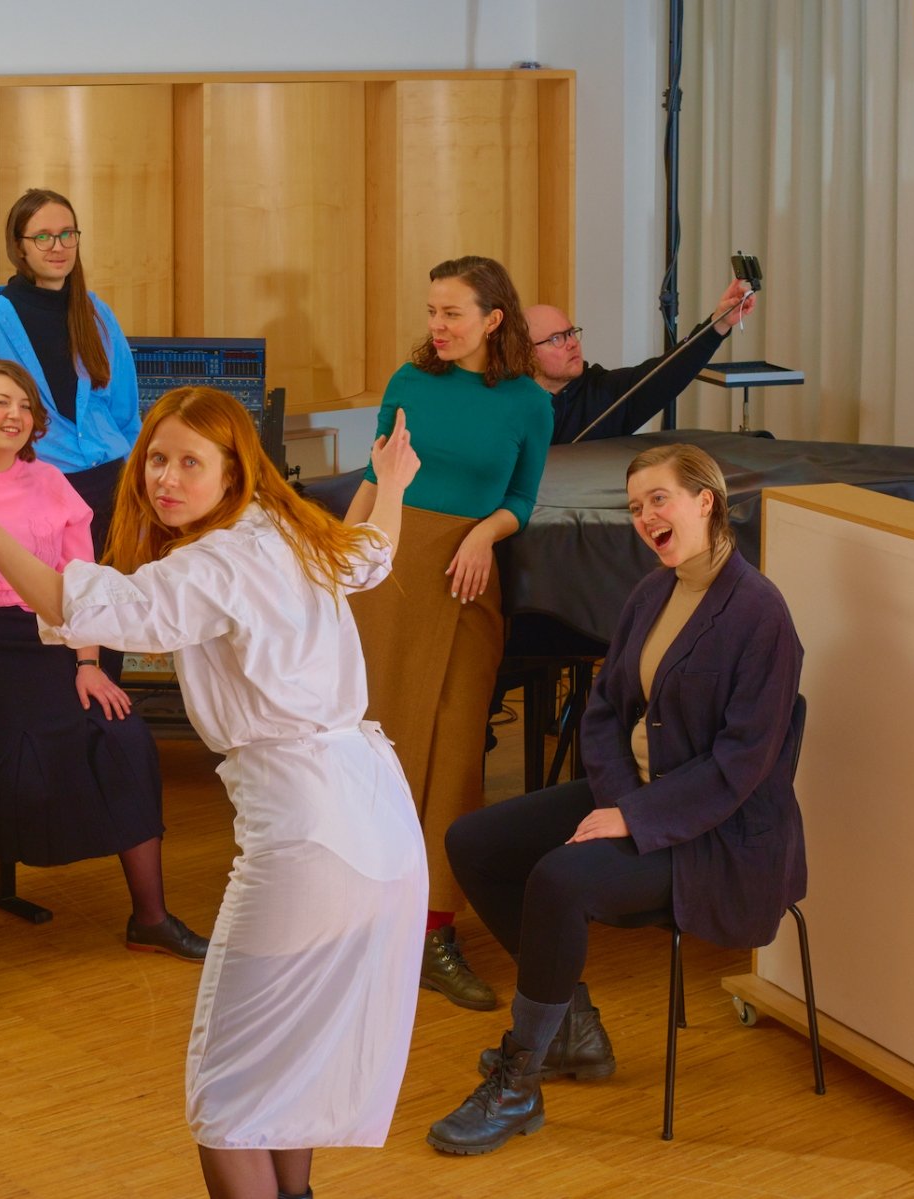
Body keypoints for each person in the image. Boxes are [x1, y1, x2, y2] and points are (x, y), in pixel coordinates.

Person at [0, 387, 426, 1199]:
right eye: (156, 458)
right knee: (291, 1067)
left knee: (228, 1092)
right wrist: (393, 482)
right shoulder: (290, 529)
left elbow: (70, 600)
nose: (164, 478)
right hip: (380, 821)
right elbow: (372, 549)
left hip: (306, 834)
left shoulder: (210, 566)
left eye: (189, 462)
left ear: (235, 472)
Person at [427, 442, 806, 1156]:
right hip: (639, 792)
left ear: (705, 500)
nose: (644, 517)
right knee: (473, 841)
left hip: (717, 835)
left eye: (658, 499)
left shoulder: (761, 614)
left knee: (558, 879)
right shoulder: (653, 591)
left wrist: (634, 816)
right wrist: (620, 797)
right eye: (634, 506)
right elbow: (602, 710)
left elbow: (740, 764)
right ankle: (571, 1027)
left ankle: (520, 1079)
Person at [0, 359, 208, 961]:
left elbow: (79, 583)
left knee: (123, 736)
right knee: (31, 755)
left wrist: (87, 662)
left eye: (24, 406)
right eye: (0, 402)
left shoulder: (53, 482)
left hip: (47, 638)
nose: (15, 416)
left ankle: (150, 917)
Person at [342, 255, 553, 1011]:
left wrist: (483, 535)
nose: (438, 325)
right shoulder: (407, 385)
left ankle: (435, 932)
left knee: (456, 753)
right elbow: (374, 482)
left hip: (465, 579)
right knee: (374, 744)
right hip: (386, 577)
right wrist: (337, 562)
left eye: (453, 312)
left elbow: (523, 499)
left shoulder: (530, 402)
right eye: (432, 310)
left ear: (494, 318)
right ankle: (359, 919)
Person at [0, 187, 139, 557]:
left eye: (68, 234)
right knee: (50, 610)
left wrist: (136, 481)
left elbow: (126, 414)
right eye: (43, 237)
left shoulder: (98, 316)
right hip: (35, 490)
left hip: (112, 488)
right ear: (20, 248)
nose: (58, 246)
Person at [528, 276, 760, 443]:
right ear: (527, 352)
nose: (572, 343)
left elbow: (667, 372)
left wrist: (717, 323)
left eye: (571, 333)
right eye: (556, 338)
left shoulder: (606, 394)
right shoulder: (508, 402)